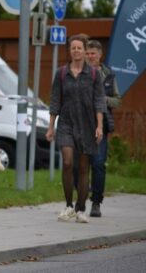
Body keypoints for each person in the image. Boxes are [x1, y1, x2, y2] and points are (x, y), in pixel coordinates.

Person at [46, 34, 106, 224]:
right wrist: (50, 126)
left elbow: (99, 101)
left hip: (87, 125)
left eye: (80, 48)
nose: (77, 51)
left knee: (83, 168)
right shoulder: (61, 73)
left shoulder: (95, 74)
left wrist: (99, 126)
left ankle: (81, 209)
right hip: (66, 124)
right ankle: (68, 206)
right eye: (73, 48)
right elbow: (55, 100)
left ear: (84, 49)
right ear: (70, 51)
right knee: (67, 162)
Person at [84, 39, 121, 217]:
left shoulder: (109, 75)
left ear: (100, 55)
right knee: (79, 165)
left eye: (93, 53)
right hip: (81, 124)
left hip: (101, 127)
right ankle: (78, 198)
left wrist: (103, 99)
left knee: (98, 165)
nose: (91, 56)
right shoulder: (77, 72)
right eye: (88, 53)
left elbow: (117, 100)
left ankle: (96, 202)